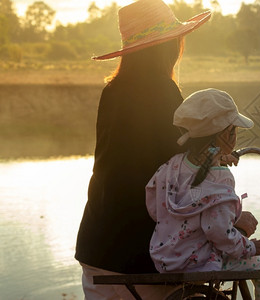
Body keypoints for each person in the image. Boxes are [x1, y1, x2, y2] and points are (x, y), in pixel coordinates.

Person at [73, 1, 222, 299]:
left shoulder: (112, 91)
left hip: (97, 245)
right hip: (143, 253)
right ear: (167, 46)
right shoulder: (163, 92)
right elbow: (183, 171)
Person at [146, 88, 260, 300]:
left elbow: (155, 209)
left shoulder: (171, 167)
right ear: (226, 134)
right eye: (234, 130)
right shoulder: (220, 178)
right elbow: (220, 232)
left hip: (166, 260)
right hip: (199, 262)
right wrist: (250, 247)